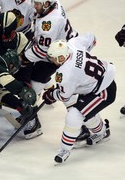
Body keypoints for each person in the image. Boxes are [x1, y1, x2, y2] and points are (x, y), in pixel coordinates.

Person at [15, 0, 79, 140]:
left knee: (35, 82)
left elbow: (43, 51)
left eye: (38, 4)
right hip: (60, 47)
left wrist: (23, 56)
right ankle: (32, 110)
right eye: (35, 2)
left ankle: (33, 121)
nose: (34, 6)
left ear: (47, 4)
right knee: (36, 77)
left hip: (60, 55)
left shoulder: (50, 22)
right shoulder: (52, 3)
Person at [42, 33, 116, 164]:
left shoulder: (65, 74)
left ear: (61, 57)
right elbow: (92, 38)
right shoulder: (72, 45)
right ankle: (102, 132)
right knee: (86, 113)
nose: (51, 60)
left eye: (53, 58)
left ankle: (64, 150)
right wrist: (83, 57)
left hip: (103, 91)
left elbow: (65, 96)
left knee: (74, 116)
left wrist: (51, 95)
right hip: (99, 82)